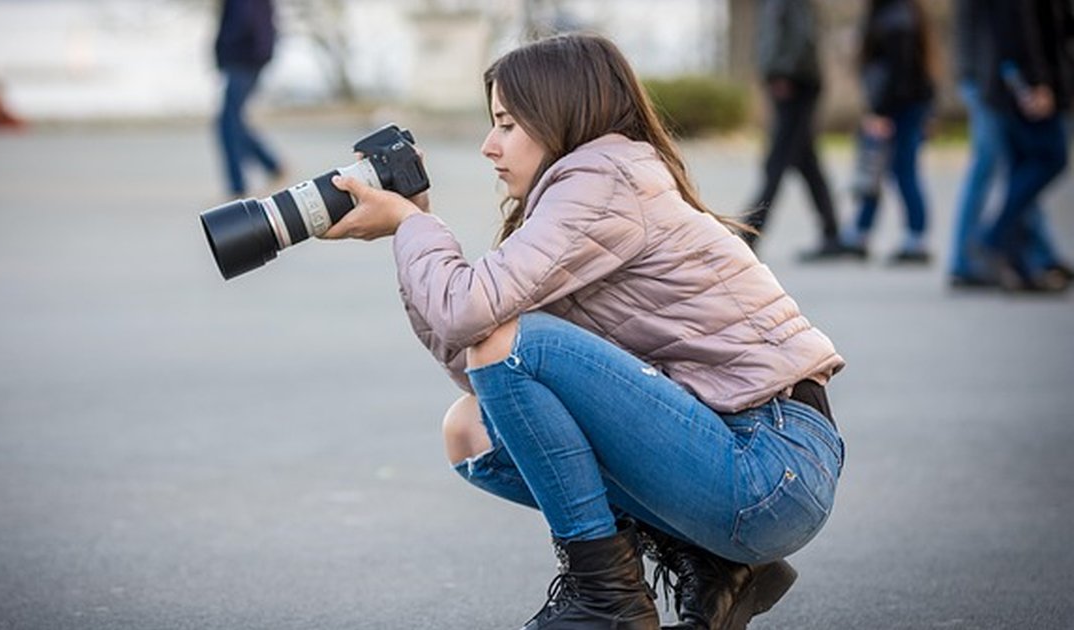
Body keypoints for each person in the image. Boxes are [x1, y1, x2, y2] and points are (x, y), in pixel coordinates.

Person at [322, 33, 846, 630]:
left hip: (769, 463)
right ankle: (713, 562)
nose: (489, 146)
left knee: (509, 344)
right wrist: (413, 223)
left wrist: (413, 227)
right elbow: (478, 362)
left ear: (560, 116)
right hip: (742, 458)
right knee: (471, 431)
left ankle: (606, 598)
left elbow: (478, 323)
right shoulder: (582, 194)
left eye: (507, 124)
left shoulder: (603, 180)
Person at [948, 0, 1072, 290]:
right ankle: (986, 245)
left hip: (1001, 78)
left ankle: (1024, 261)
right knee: (1041, 160)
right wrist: (1035, 81)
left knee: (1019, 169)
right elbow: (1017, 27)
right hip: (1004, 80)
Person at [744, 0, 844, 261]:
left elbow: (799, 34)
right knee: (806, 162)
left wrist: (782, 72)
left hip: (793, 83)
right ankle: (832, 232)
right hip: (794, 80)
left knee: (777, 161)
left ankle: (749, 233)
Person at [839, 0, 936, 263]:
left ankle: (915, 237)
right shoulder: (895, 13)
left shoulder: (897, 18)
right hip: (898, 106)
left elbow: (900, 73)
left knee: (900, 171)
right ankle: (861, 231)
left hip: (898, 108)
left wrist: (881, 112)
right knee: (876, 170)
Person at [214, 0, 284, 197]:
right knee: (233, 121)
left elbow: (245, 21)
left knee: (228, 123)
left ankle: (237, 187)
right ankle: (272, 166)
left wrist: (227, 49)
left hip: (244, 59)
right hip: (248, 58)